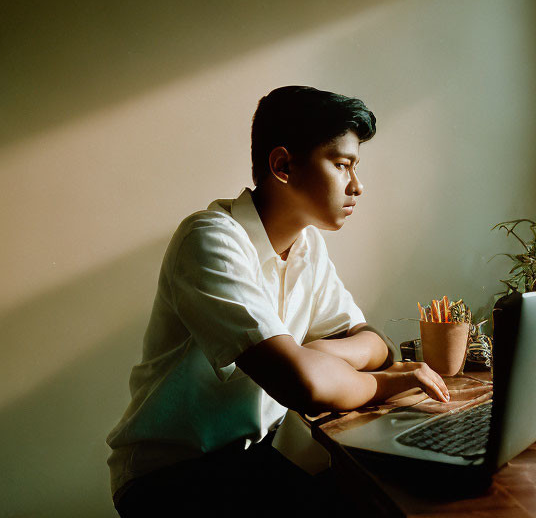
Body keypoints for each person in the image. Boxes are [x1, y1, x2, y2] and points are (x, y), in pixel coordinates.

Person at [106, 86, 449, 517]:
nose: (357, 186)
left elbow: (374, 342)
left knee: (390, 497)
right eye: (342, 165)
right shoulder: (210, 239)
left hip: (253, 460)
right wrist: (384, 383)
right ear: (283, 165)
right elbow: (305, 386)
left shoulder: (307, 247)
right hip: (172, 477)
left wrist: (316, 353)